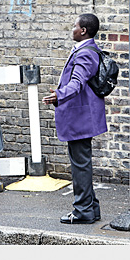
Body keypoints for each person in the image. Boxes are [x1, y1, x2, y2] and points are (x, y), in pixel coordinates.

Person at [42, 13, 108, 224]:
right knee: (82, 164)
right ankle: (91, 209)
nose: (72, 29)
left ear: (83, 31)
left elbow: (77, 83)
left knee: (80, 165)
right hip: (81, 116)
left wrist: (58, 95)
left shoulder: (86, 54)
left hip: (80, 118)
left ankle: (82, 211)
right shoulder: (85, 50)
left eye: (74, 26)